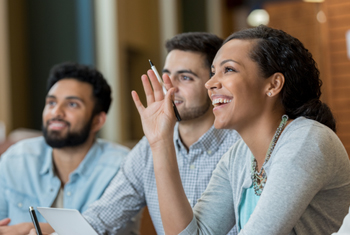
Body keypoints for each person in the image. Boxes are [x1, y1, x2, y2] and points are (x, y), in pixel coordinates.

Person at [131, 25, 350, 235]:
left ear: (273, 85)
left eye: (228, 69)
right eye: (213, 72)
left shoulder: (306, 140)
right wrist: (160, 142)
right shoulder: (238, 157)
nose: (210, 84)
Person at [76, 32, 240, 235]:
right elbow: (101, 218)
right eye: (166, 76)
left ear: (214, 83)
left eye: (185, 77)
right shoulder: (148, 148)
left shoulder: (240, 146)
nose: (169, 88)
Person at [0, 62, 130, 234]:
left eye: (72, 104)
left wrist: (27, 228)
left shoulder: (121, 167)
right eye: (51, 103)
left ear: (98, 120)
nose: (56, 112)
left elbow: (107, 231)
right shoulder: (16, 159)